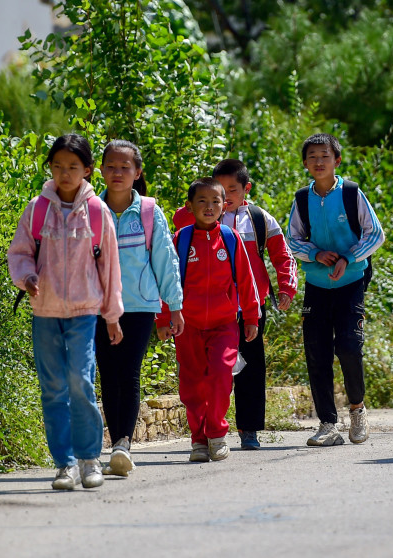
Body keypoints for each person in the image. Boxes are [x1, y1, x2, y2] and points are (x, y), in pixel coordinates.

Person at [7, 134, 124, 490]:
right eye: (58, 166)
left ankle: (90, 459)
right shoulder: (37, 208)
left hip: (84, 311)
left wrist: (112, 315)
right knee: (53, 387)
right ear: (50, 168)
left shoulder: (97, 211)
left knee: (80, 382)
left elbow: (110, 267)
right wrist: (26, 277)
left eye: (73, 166)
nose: (64, 173)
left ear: (87, 170)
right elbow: (20, 252)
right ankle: (65, 465)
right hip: (44, 310)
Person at [172, 158, 298, 450]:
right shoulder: (200, 214)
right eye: (220, 189)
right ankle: (207, 430)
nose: (226, 197)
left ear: (246, 189)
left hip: (251, 305)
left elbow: (282, 255)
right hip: (206, 310)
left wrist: (286, 287)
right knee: (211, 371)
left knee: (251, 368)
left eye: (232, 189)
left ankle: (249, 429)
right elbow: (180, 225)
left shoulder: (259, 218)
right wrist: (200, 201)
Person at [287, 133, 384, 447]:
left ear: (336, 161)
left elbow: (375, 234)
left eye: (324, 156)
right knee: (316, 352)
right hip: (316, 284)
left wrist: (348, 257)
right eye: (312, 156)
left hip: (352, 280)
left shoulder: (352, 193)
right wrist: (315, 254)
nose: (318, 162)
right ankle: (328, 424)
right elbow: (293, 240)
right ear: (305, 163)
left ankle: (357, 408)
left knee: (348, 346)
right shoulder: (302, 198)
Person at [96, 140, 184, 477]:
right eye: (112, 167)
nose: (118, 173)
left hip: (139, 307)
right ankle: (116, 442)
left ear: (137, 172)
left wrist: (173, 306)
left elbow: (165, 259)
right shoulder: (91, 209)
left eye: (125, 167)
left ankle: (122, 445)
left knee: (128, 373)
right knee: (108, 374)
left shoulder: (149, 211)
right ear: (101, 171)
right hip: (99, 307)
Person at [158, 177, 261, 463]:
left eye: (215, 201)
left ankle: (216, 434)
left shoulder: (230, 238)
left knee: (219, 376)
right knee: (192, 386)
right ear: (189, 206)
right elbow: (168, 281)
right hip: (186, 326)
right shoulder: (180, 239)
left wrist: (251, 316)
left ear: (224, 205)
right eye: (201, 201)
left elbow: (245, 279)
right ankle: (198, 440)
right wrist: (164, 317)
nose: (209, 206)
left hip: (224, 324)